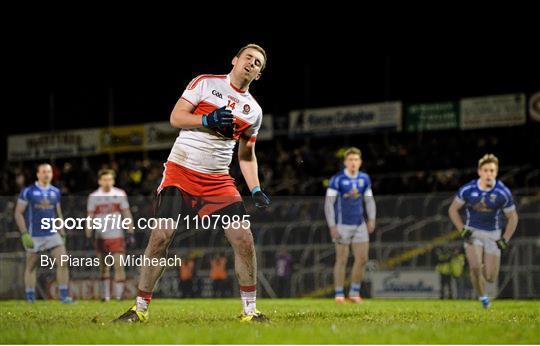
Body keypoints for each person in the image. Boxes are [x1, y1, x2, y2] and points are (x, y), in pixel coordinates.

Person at [115, 43, 270, 323]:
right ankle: (139, 310)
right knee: (161, 236)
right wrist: (206, 119)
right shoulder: (204, 83)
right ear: (235, 59)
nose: (252, 63)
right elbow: (176, 118)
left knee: (244, 239)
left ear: (258, 75)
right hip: (181, 171)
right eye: (248, 57)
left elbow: (246, 155)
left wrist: (256, 188)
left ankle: (251, 312)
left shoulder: (253, 112)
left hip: (218, 181)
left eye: (258, 63)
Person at [448, 154, 518, 308]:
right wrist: (462, 230)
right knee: (474, 267)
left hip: (493, 234)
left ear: (497, 172)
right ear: (479, 171)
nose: (489, 174)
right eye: (486, 170)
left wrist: (505, 239)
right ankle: (483, 299)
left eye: (492, 171)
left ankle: (487, 268)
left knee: (491, 277)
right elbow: (453, 210)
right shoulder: (468, 189)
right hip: (472, 232)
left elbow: (513, 218)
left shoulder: (502, 192)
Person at [14, 163, 73, 304]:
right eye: (44, 171)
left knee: (63, 262)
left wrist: (62, 231)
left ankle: (64, 297)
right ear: (38, 174)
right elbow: (18, 213)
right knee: (31, 266)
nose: (47, 174)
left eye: (49, 171)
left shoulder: (55, 192)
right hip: (34, 235)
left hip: (52, 234)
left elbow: (58, 214)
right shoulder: (28, 191)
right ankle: (30, 298)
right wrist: (24, 234)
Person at [324, 148, 376, 303]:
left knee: (362, 258)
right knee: (342, 259)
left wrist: (371, 219)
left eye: (356, 160)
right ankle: (339, 294)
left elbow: (369, 200)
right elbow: (329, 203)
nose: (353, 163)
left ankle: (354, 293)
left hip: (359, 224)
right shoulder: (337, 179)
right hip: (342, 225)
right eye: (350, 160)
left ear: (360, 162)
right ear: (345, 162)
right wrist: (332, 226)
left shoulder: (364, 178)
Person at [85, 169, 135, 301]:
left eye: (109, 179)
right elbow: (90, 217)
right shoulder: (94, 196)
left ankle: (118, 296)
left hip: (116, 235)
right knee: (104, 267)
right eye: (104, 179)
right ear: (99, 181)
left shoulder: (119, 194)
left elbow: (126, 214)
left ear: (113, 180)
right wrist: (88, 234)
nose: (107, 182)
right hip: (100, 236)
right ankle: (105, 297)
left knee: (119, 265)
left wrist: (130, 232)